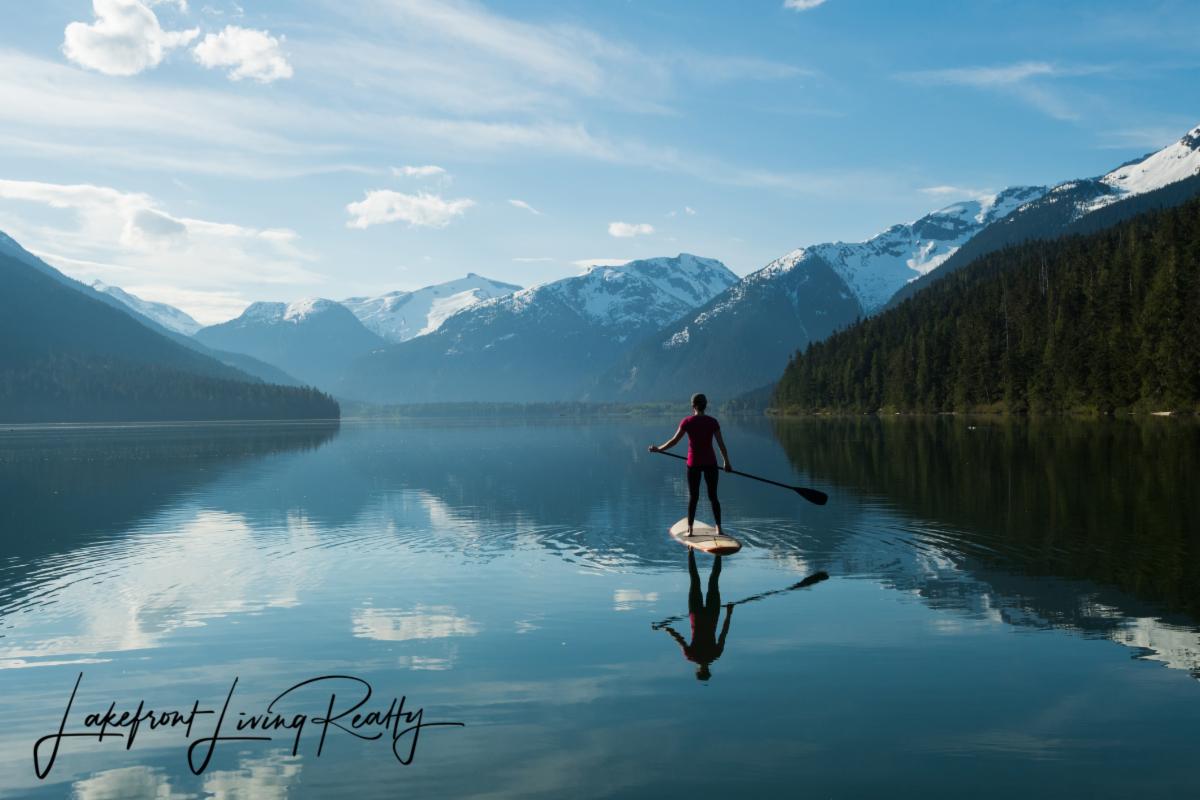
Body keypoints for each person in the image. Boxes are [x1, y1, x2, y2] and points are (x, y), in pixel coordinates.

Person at [648, 392, 731, 536]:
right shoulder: (713, 422)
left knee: (694, 497)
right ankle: (719, 528)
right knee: (713, 497)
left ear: (693, 406)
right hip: (710, 463)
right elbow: (721, 444)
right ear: (705, 405)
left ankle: (690, 530)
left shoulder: (687, 421)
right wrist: (726, 462)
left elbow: (674, 441)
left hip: (694, 464)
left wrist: (659, 449)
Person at [660, 550, 733, 681]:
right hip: (696, 613)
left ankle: (718, 553)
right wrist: (667, 629)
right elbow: (679, 638)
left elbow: (724, 632)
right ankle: (690, 551)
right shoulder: (691, 656)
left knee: (714, 580)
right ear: (698, 670)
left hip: (712, 614)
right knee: (694, 579)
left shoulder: (716, 655)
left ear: (708, 670)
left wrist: (729, 612)